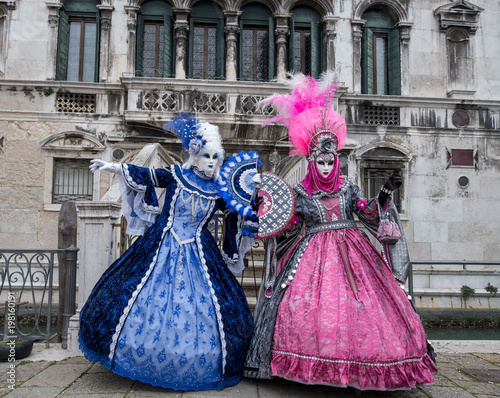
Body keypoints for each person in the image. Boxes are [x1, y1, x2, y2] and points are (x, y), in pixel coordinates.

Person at [244, 74, 438, 390]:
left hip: (356, 254)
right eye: (319, 162)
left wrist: (386, 193)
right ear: (311, 160)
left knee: (368, 306)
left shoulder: (349, 187)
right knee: (303, 307)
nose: (324, 167)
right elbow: (289, 227)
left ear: (336, 160)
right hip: (310, 258)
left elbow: (367, 212)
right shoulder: (301, 193)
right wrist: (265, 210)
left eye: (329, 161)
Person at [79, 114, 255, 391]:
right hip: (161, 244)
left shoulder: (219, 190)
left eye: (216, 158)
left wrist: (251, 191)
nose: (211, 162)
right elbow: (148, 175)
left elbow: (236, 211)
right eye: (206, 156)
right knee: (133, 294)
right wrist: (112, 167)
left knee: (211, 305)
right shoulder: (177, 175)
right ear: (195, 156)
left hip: (199, 250)